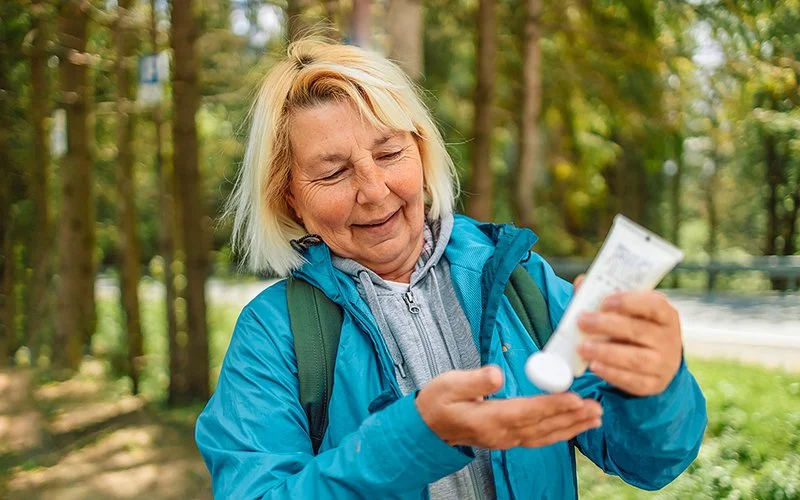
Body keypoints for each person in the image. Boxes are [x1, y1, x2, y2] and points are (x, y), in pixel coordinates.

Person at [195, 39, 707, 499]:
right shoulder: (274, 334)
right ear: (290, 198)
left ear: (421, 150)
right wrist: (413, 439)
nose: (375, 191)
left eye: (390, 151)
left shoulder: (516, 279)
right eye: (333, 172)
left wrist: (656, 388)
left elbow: (648, 462)